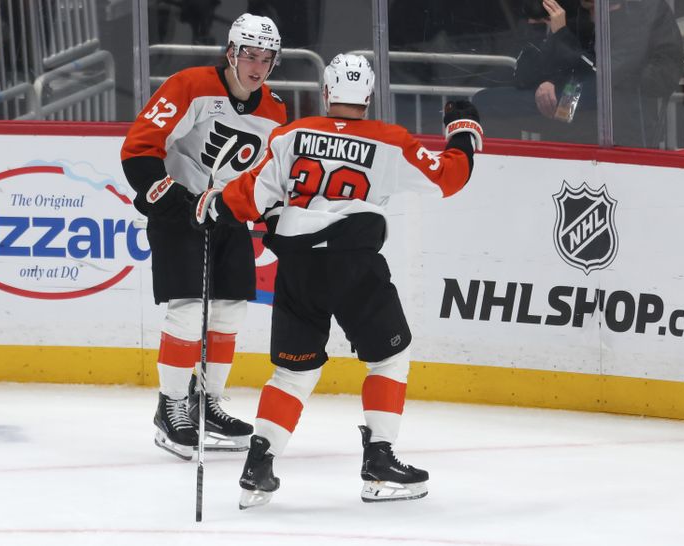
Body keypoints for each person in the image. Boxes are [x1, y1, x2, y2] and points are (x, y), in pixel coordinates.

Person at [191, 53, 484, 508]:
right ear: (368, 96)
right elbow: (449, 177)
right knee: (390, 358)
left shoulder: (292, 134)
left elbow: (250, 195)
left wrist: (214, 204)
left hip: (299, 266)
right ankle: (380, 460)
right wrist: (463, 131)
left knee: (294, 370)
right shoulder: (390, 141)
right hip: (354, 264)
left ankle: (258, 466)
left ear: (326, 92)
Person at [120, 13, 287, 461]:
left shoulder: (274, 110)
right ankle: (171, 407)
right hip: (178, 213)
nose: (257, 66)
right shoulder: (189, 84)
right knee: (189, 310)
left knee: (229, 312)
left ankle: (206, 403)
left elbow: (265, 177)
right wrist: (172, 201)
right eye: (249, 55)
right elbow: (139, 148)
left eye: (266, 58)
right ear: (231, 53)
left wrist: (270, 221)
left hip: (227, 217)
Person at [474, 0, 682, 147]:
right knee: (488, 102)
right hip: (576, 98)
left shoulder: (643, 12)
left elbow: (599, 72)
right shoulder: (575, 12)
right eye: (587, 8)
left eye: (595, 7)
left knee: (569, 120)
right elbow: (529, 74)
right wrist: (548, 80)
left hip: (618, 110)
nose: (592, 15)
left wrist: (561, 35)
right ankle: (505, 174)